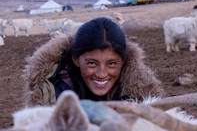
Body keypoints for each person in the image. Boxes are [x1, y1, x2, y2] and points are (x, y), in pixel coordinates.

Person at [23, 17, 163, 106]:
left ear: (123, 62)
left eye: (112, 64)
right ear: (76, 59)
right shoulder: (53, 92)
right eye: (91, 63)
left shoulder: (139, 94)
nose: (101, 74)